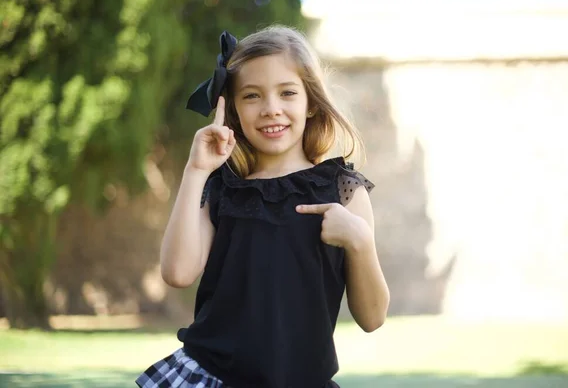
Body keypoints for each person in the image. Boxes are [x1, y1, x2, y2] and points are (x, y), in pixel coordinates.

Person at [136, 25, 389, 388]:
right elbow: (177, 273)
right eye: (252, 96)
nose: (271, 109)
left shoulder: (344, 192)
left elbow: (373, 318)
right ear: (234, 109)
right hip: (213, 377)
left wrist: (360, 242)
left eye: (287, 93)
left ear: (311, 102)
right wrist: (195, 170)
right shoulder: (222, 187)